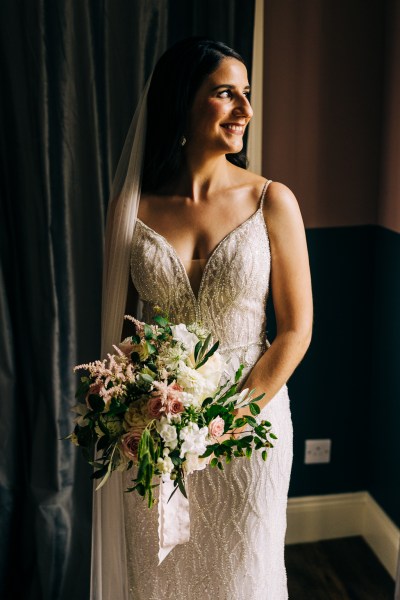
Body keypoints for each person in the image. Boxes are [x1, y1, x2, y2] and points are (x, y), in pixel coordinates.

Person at [94, 37, 313, 600]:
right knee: (161, 575)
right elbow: (121, 335)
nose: (245, 109)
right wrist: (131, 411)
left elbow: (295, 329)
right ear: (181, 103)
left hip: (251, 430)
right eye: (225, 93)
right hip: (158, 435)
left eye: (246, 94)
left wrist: (231, 419)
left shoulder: (272, 201)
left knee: (244, 571)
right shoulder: (132, 209)